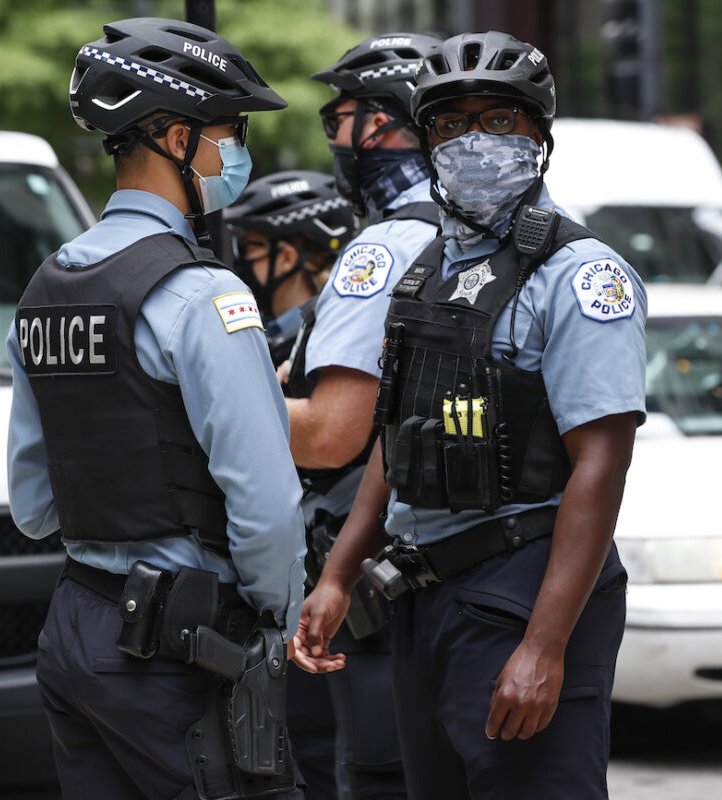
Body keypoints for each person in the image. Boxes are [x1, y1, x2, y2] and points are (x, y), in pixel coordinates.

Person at [295, 31, 647, 800]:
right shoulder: (428, 269)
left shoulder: (582, 276)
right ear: (426, 144)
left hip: (524, 584)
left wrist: (545, 647)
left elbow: (601, 463)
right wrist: (338, 573)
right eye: (452, 125)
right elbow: (399, 430)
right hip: (425, 597)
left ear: (539, 138)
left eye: (499, 121)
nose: (475, 142)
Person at [6, 18, 306, 800]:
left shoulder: (45, 290)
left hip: (76, 633)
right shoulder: (202, 295)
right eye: (228, 132)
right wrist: (278, 618)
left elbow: (35, 508)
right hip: (181, 650)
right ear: (178, 137)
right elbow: (268, 509)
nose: (235, 151)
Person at [283, 32, 444, 799]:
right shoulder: (506, 229)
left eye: (338, 117)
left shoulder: (382, 247)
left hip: (383, 574)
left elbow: (329, 431)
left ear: (380, 125)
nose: (336, 138)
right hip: (492, 577)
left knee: (375, 776)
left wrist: (203, 410)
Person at [224, 170, 355, 800]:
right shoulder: (281, 335)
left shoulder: (329, 331)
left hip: (333, 594)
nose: (241, 262)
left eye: (251, 247)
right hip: (290, 595)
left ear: (292, 251)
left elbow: (329, 437)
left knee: (330, 760)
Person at [224, 170, 354, 366]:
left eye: (248, 247)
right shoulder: (268, 331)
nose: (241, 258)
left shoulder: (322, 346)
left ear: (287, 258)